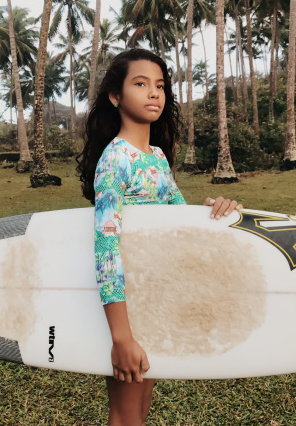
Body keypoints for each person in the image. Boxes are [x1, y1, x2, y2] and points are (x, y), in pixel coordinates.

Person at [77, 48, 243, 426]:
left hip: (156, 298)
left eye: (160, 86)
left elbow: (178, 219)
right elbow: (105, 245)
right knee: (126, 415)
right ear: (115, 96)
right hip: (126, 305)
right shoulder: (114, 159)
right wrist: (121, 337)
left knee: (142, 405)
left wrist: (215, 208)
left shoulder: (156, 157)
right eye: (140, 84)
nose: (154, 93)